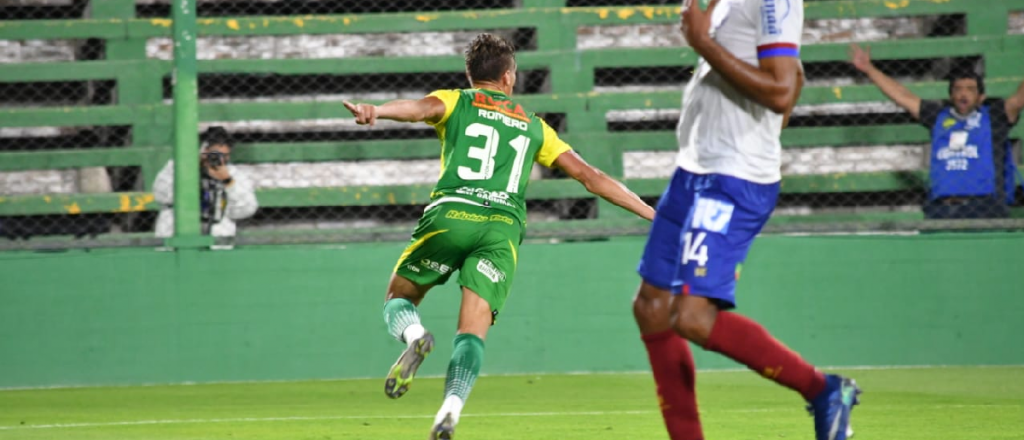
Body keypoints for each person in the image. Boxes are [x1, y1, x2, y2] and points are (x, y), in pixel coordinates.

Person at [343, 33, 655, 440]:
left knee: (399, 298)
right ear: (509, 77)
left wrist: (376, 111)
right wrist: (654, 214)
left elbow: (418, 110)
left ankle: (416, 336)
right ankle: (449, 409)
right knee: (471, 331)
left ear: (470, 75)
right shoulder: (534, 126)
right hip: (501, 230)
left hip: (451, 215)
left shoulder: (456, 100)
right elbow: (591, 178)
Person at [632, 1, 859, 440]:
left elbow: (780, 90)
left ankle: (824, 390)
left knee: (693, 317)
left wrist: (701, 42)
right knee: (651, 307)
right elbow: (790, 76)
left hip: (733, 179)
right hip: (693, 171)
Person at [850, 44, 1024, 219]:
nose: (963, 94)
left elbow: (1019, 98)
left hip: (984, 207)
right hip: (942, 207)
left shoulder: (994, 116)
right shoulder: (938, 117)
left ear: (981, 98)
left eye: (970, 89)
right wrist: (869, 69)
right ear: (950, 96)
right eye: (957, 89)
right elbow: (903, 96)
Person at [153, 126, 258, 239]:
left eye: (225, 155)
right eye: (214, 154)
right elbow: (160, 195)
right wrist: (193, 169)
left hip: (216, 242)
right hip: (175, 237)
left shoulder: (233, 174)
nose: (218, 159)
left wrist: (227, 181)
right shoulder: (177, 166)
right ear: (203, 150)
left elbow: (247, 209)